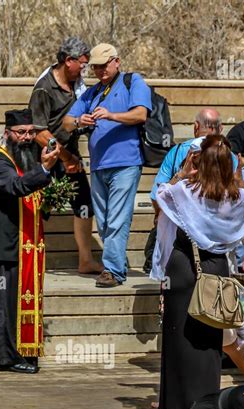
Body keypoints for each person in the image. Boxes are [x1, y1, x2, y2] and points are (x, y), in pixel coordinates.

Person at [152, 135, 244, 409]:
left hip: (185, 266)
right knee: (210, 337)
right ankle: (204, 404)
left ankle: (179, 407)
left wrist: (182, 171)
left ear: (199, 161)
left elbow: (160, 197)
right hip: (216, 268)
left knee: (179, 336)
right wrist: (235, 176)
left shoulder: (186, 191)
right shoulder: (237, 197)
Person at [0, 109, 59, 373]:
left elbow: (32, 193)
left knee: (14, 303)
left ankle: (23, 350)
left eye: (31, 132)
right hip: (6, 245)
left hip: (27, 245)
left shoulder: (25, 160)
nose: (27, 137)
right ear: (8, 133)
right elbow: (16, 187)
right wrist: (44, 168)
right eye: (21, 132)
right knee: (4, 305)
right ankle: (5, 357)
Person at [63, 43, 152, 287]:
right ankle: (117, 263)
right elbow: (67, 122)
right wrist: (80, 119)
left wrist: (111, 115)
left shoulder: (133, 82)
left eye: (104, 65)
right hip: (99, 165)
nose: (100, 70)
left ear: (117, 61)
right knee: (102, 220)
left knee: (117, 218)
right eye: (96, 67)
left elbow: (140, 114)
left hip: (126, 163)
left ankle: (112, 270)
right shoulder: (91, 93)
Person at [29, 37, 100, 275]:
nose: (85, 68)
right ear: (68, 60)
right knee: (40, 209)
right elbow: (39, 131)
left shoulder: (78, 86)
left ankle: (85, 260)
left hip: (70, 155)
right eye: (82, 63)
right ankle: (30, 260)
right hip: (46, 157)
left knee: (84, 206)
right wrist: (66, 157)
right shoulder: (44, 88)